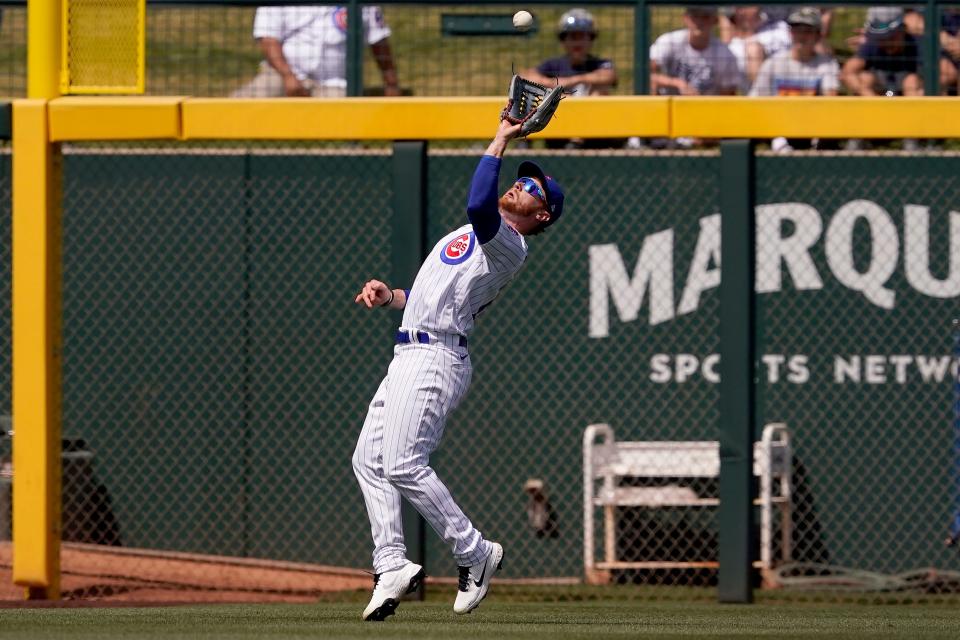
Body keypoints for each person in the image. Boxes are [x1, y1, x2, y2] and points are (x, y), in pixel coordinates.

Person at [351, 117, 565, 621]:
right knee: (368, 460)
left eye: (533, 187)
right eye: (522, 177)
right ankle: (391, 564)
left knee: (402, 464)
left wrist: (501, 138)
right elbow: (432, 300)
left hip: (436, 358)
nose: (521, 183)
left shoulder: (508, 244)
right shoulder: (472, 234)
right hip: (410, 350)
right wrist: (392, 298)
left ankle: (474, 552)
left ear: (543, 216)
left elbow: (477, 202)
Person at [233, 5, 399, 97]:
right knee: (247, 103)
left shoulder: (364, 4)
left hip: (334, 82)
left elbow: (379, 42)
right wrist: (289, 77)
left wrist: (391, 84)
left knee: (345, 120)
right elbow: (268, 40)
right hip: (282, 74)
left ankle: (351, 148)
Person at [521, 8, 619, 149]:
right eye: (573, 37)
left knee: (600, 89)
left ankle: (578, 139)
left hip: (592, 129)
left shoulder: (598, 64)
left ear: (590, 39)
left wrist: (574, 80)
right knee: (532, 92)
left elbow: (609, 76)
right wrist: (553, 85)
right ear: (564, 40)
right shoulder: (554, 64)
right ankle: (524, 143)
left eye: (582, 37)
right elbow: (526, 76)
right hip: (559, 122)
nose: (577, 43)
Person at [749, 7, 840, 152]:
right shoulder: (773, 63)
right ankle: (779, 143)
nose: (801, 36)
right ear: (790, 33)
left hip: (812, 123)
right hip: (777, 123)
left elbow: (831, 99)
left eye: (808, 31)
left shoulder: (827, 64)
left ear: (818, 36)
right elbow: (755, 100)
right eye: (797, 30)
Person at [650, 6, 741, 97]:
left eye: (705, 17)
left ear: (715, 20)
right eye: (695, 16)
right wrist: (678, 83)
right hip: (669, 105)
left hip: (706, 107)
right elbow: (646, 75)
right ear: (685, 18)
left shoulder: (725, 54)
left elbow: (728, 96)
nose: (699, 22)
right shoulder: (669, 41)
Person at [841, 7, 922, 98]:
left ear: (902, 30)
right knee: (865, 78)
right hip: (883, 92)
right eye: (881, 38)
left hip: (908, 93)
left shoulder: (919, 44)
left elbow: (940, 72)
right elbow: (847, 72)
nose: (885, 42)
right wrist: (869, 96)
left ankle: (912, 111)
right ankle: (876, 110)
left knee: (911, 82)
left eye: (890, 37)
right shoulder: (872, 42)